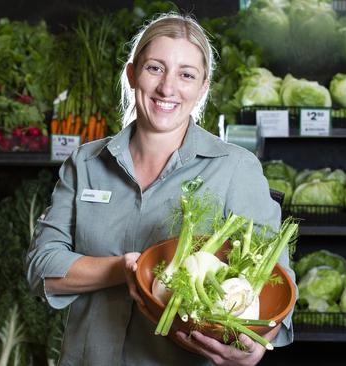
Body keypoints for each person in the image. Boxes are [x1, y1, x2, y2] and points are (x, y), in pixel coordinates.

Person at [26, 12, 296, 366]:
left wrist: (254, 347)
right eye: (155, 68)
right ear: (132, 74)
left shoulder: (236, 168)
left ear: (203, 88)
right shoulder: (87, 163)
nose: (168, 88)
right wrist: (124, 270)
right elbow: (42, 266)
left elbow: (272, 283)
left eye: (186, 75)